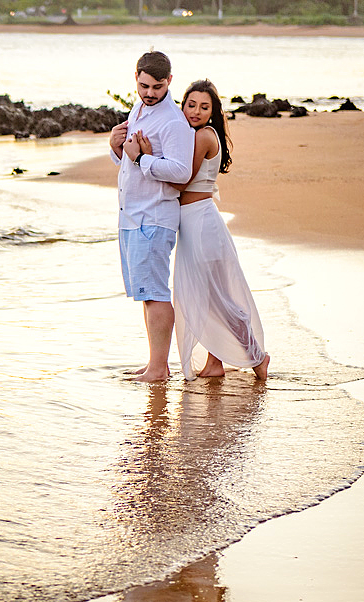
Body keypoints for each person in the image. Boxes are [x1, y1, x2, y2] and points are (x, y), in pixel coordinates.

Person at [134, 80, 270, 381]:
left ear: (213, 112)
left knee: (219, 298)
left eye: (204, 107)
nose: (195, 111)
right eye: (190, 104)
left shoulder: (204, 136)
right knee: (208, 296)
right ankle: (215, 363)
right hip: (194, 222)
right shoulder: (192, 136)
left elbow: (181, 181)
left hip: (201, 224)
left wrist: (143, 157)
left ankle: (258, 356)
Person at [109, 51, 195, 382]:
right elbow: (129, 160)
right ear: (136, 77)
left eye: (157, 86)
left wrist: (143, 158)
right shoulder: (141, 109)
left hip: (154, 217)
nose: (150, 92)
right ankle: (153, 364)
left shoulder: (173, 120)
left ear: (169, 82)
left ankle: (159, 368)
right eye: (144, 85)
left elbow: (181, 172)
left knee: (156, 293)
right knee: (146, 294)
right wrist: (116, 148)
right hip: (132, 216)